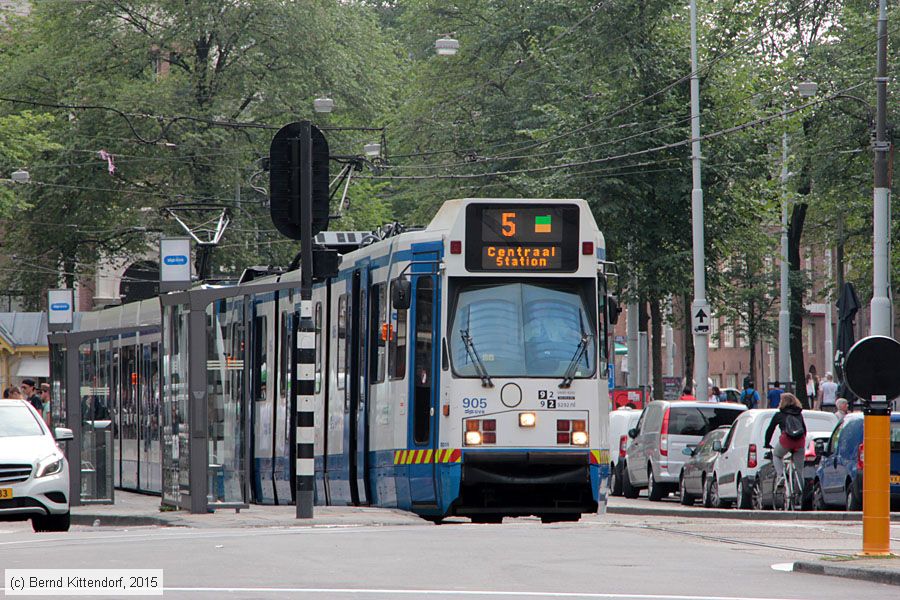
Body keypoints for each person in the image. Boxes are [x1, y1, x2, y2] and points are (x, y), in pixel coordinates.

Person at [764, 393, 807, 500]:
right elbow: (804, 430)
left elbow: (770, 430)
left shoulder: (779, 414)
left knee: (777, 455)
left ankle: (781, 476)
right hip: (800, 442)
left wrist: (766, 443)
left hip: (786, 441)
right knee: (799, 469)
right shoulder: (799, 414)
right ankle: (801, 493)